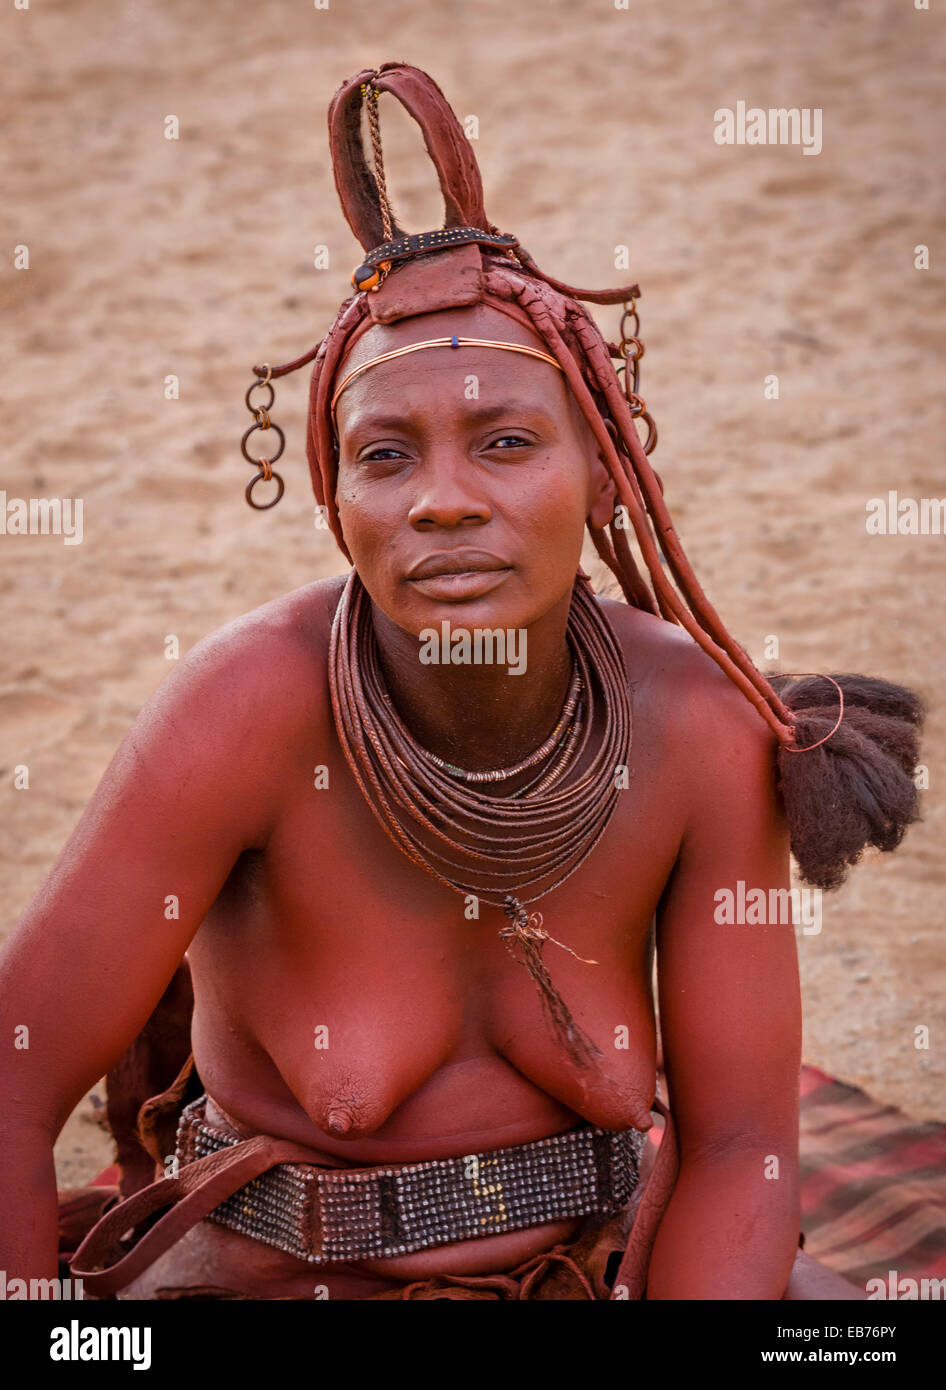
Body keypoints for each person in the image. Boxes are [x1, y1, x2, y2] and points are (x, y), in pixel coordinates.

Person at [0, 63, 922, 1301]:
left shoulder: (698, 725)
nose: (443, 499)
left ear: (605, 472)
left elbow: (741, 1145)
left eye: (506, 442)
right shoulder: (240, 715)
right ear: (333, 499)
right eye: (387, 455)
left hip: (599, 1271)